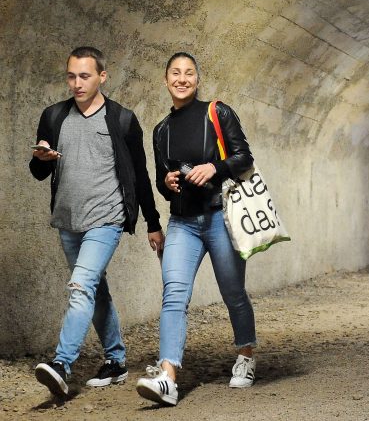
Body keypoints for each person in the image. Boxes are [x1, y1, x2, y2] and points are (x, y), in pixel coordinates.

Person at [29, 47, 164, 396]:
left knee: (79, 287)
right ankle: (117, 360)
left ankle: (62, 363)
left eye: (85, 76)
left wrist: (152, 221)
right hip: (68, 221)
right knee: (93, 288)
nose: (77, 83)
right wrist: (42, 158)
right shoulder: (53, 116)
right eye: (71, 76)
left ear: (102, 77)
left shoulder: (122, 119)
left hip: (107, 218)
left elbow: (139, 175)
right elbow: (38, 172)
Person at [136, 52, 257, 406]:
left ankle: (246, 356)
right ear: (166, 80)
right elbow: (161, 180)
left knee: (234, 292)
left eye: (189, 73)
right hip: (182, 223)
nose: (182, 78)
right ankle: (168, 377)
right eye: (175, 73)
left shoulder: (217, 112)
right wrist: (168, 182)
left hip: (221, 217)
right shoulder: (161, 130)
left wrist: (214, 168)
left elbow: (243, 157)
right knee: (174, 294)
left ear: (197, 80)